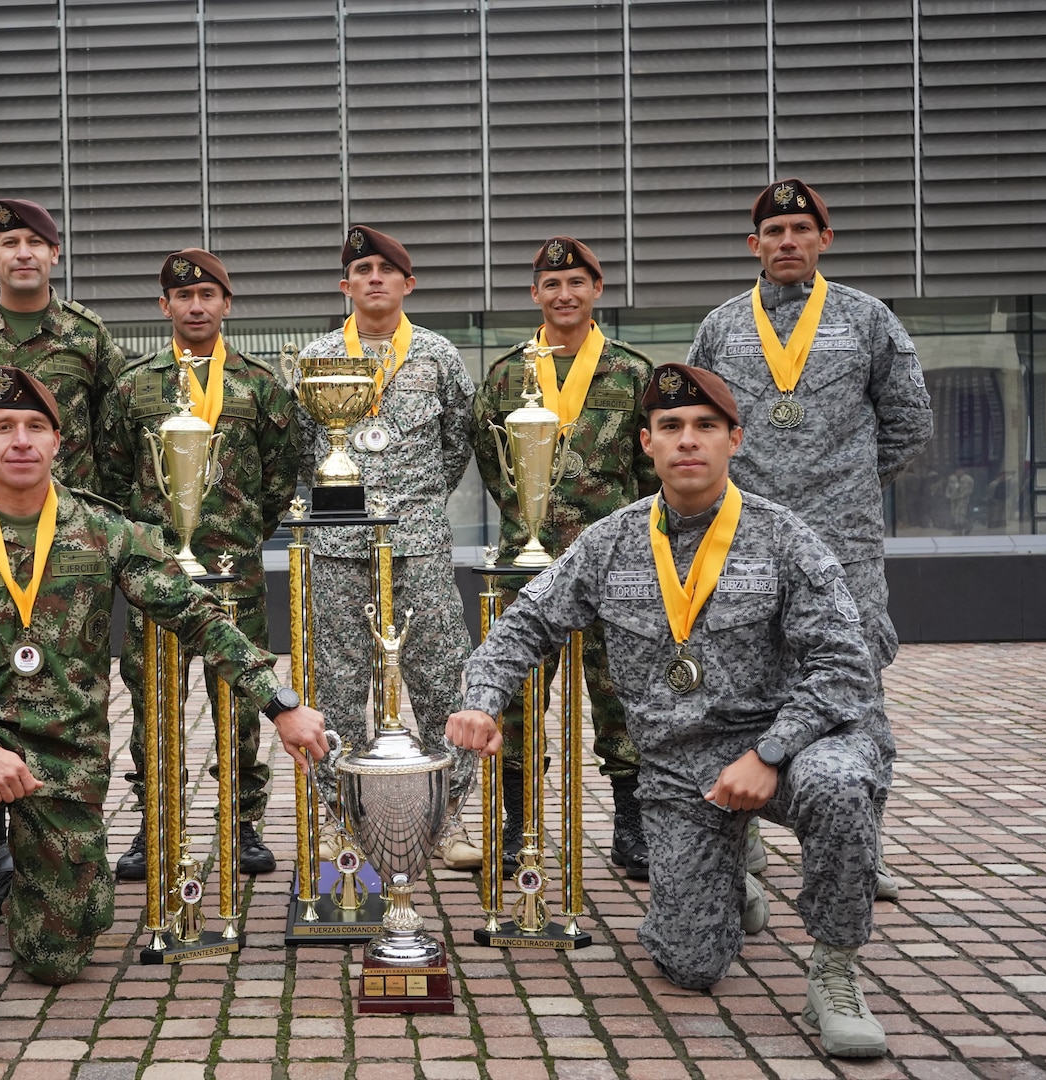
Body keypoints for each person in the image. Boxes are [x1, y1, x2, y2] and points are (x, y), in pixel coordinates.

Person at [448, 364, 889, 1059]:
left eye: (706, 427)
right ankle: (728, 858)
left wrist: (770, 754)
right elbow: (525, 623)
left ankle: (835, 970)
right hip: (681, 766)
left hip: (791, 745)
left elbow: (844, 669)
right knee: (689, 966)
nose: (689, 441)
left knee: (840, 786)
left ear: (735, 439)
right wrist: (481, 700)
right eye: (672, 428)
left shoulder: (785, 539)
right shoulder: (610, 542)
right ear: (647, 444)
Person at [0, 365, 329, 1043]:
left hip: (64, 754)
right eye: (3, 428)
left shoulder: (103, 529)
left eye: (36, 427)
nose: (21, 440)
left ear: (59, 440)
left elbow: (197, 614)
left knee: (57, 959)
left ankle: (13, 877)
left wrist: (281, 704)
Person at [686, 179, 933, 896]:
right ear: (753, 244)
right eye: (774, 230)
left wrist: (842, 488)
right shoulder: (722, 326)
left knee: (854, 686)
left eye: (800, 228)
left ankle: (864, 845)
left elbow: (908, 423)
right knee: (739, 682)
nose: (786, 241)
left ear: (825, 239)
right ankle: (745, 838)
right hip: (743, 542)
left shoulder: (866, 320)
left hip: (842, 545)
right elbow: (697, 425)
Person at [98, 249, 299, 881]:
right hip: (155, 575)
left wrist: (238, 536)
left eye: (207, 295)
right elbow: (110, 475)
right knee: (153, 704)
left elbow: (279, 475)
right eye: (182, 297)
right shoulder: (133, 386)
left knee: (240, 700)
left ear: (226, 304)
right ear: (165, 306)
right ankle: (155, 826)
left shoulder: (259, 384)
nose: (195, 306)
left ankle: (241, 828)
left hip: (233, 574)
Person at [471, 236, 658, 879]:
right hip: (527, 565)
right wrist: (533, 521)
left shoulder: (633, 373)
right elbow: (494, 464)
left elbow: (651, 470)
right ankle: (518, 825)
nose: (564, 294)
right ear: (535, 294)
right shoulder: (505, 376)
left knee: (622, 693)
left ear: (596, 290)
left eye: (576, 282)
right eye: (551, 285)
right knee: (520, 693)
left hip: (617, 566)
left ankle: (633, 826)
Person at [297, 225, 480, 869]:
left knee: (440, 682)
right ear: (344, 284)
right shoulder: (315, 359)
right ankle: (336, 820)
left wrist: (414, 501)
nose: (374, 278)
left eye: (387, 269)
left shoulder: (438, 357)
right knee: (338, 687)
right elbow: (304, 453)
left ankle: (448, 816)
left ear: (409, 283)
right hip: (339, 547)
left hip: (419, 546)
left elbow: (458, 443)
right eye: (362, 268)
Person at [0, 198, 127, 500]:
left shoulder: (88, 334)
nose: (23, 254)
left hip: (73, 517)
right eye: (10, 243)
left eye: (35, 242)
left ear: (54, 253)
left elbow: (115, 432)